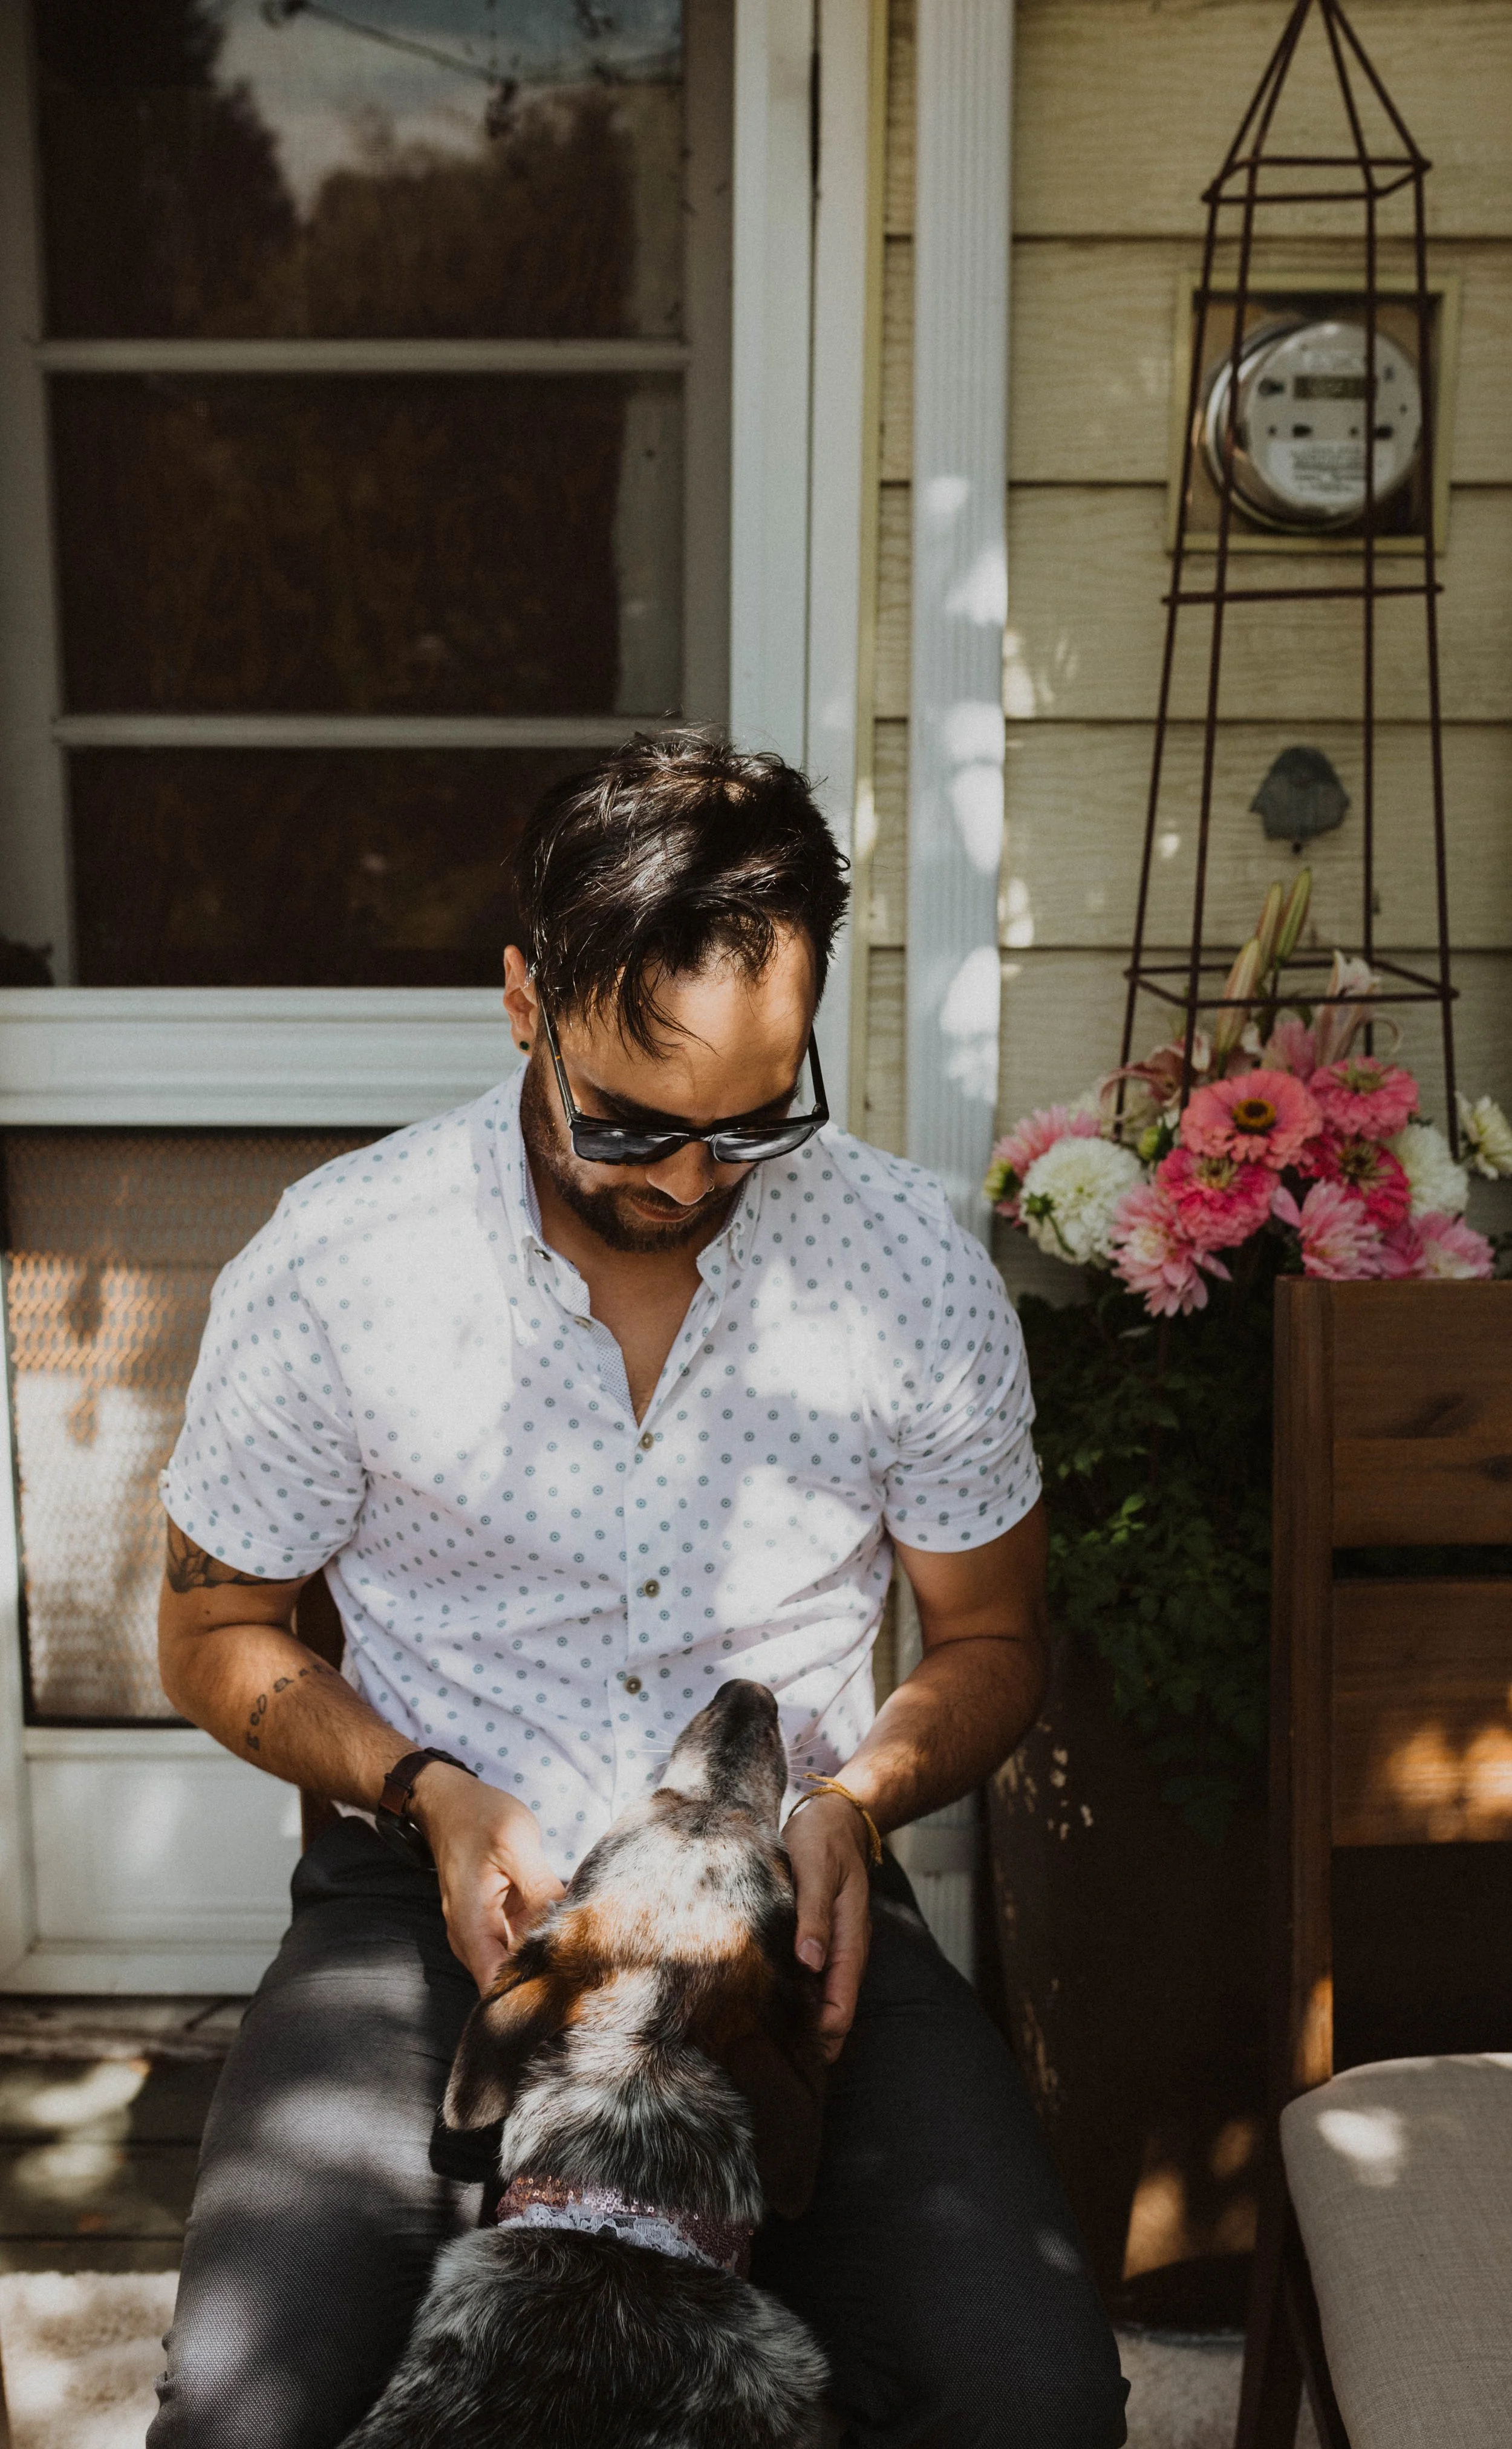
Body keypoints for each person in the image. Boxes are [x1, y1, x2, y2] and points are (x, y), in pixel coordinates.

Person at [149, 732, 1129, 2449]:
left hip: (787, 1902)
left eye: (754, 1123)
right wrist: (422, 1794)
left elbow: (985, 1640)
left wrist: (859, 1805)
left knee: (1026, 2394)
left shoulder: (907, 1267)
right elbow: (214, 1630)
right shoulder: (337, 1263)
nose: (685, 1179)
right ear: (523, 1000)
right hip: (430, 1892)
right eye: (630, 1122)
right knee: (247, 2401)